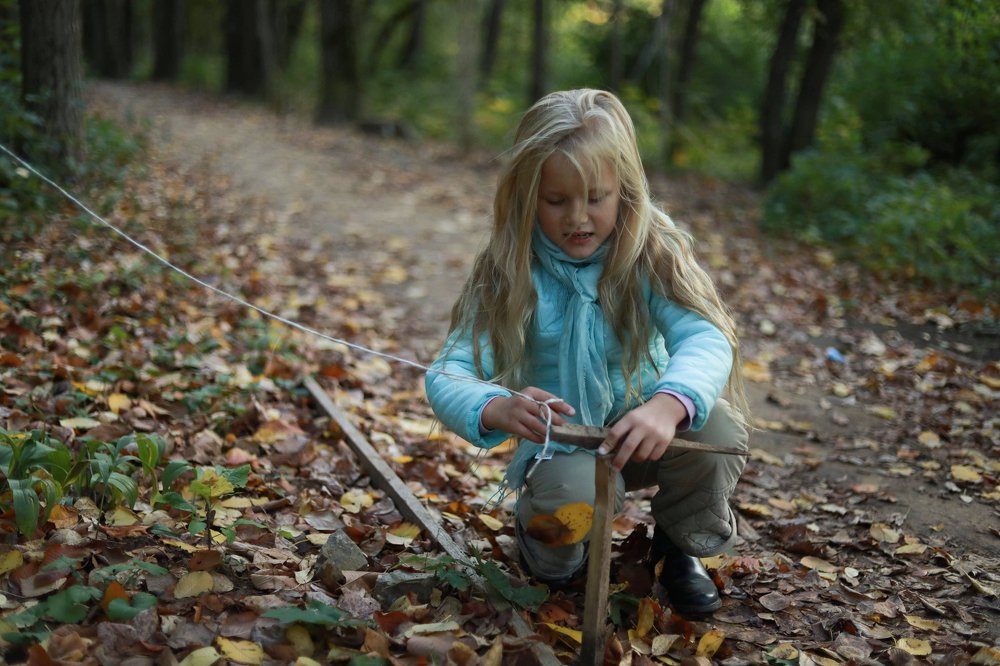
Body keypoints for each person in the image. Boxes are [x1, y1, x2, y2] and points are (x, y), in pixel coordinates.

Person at [425, 89, 750, 616]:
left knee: (715, 429)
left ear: (624, 189)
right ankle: (551, 549)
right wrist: (497, 407)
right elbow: (451, 369)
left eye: (595, 197)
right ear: (528, 196)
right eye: (556, 201)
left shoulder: (648, 249)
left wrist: (668, 406)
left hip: (642, 426)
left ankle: (678, 548)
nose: (578, 218)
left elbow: (704, 335)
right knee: (565, 531)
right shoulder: (512, 265)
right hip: (566, 440)